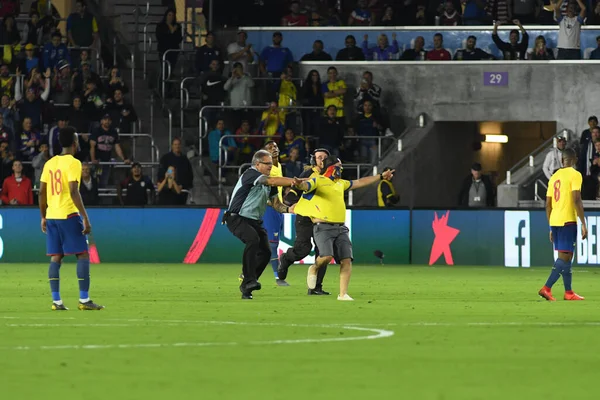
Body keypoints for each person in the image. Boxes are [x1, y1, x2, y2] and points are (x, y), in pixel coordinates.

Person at [290, 156, 395, 300]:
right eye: (339, 166)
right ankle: (314, 267)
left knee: (346, 259)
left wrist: (380, 176)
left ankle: (343, 294)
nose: (341, 169)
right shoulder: (318, 180)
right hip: (323, 227)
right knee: (326, 256)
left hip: (341, 228)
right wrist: (298, 185)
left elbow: (360, 182)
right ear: (331, 167)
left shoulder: (341, 183)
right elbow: (305, 186)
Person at [39, 127, 103, 311]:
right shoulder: (74, 163)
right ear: (75, 143)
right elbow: (74, 191)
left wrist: (43, 216)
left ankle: (56, 301)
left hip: (52, 216)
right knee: (82, 254)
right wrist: (85, 216)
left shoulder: (49, 163)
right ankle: (84, 300)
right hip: (68, 214)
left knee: (56, 257)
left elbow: (42, 192)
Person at [223, 150, 295, 300]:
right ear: (257, 164)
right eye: (267, 163)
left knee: (266, 252)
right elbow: (272, 181)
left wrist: (288, 209)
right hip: (237, 217)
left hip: (254, 220)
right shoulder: (251, 174)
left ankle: (247, 285)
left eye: (271, 163)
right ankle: (249, 279)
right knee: (253, 240)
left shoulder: (269, 181)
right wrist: (295, 181)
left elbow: (276, 204)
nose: (270, 166)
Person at [278, 148, 332, 295]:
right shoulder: (308, 174)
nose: (321, 160)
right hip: (305, 217)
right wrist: (291, 202)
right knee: (303, 249)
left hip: (322, 218)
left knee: (323, 252)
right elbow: (295, 191)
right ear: (314, 160)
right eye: (319, 157)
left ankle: (315, 287)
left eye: (324, 157)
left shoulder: (332, 175)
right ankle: (286, 258)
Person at [539, 148, 586, 301]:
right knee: (565, 257)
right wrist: (583, 223)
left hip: (555, 220)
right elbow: (576, 199)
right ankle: (546, 288)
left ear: (561, 160)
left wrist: (550, 227)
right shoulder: (575, 175)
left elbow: (548, 204)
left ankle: (569, 292)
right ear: (575, 159)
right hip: (567, 220)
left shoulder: (554, 177)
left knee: (566, 256)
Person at [261, 141, 289, 286]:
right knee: (272, 245)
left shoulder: (277, 167)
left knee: (269, 245)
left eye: (276, 146)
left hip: (278, 208)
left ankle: (247, 271)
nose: (275, 149)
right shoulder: (265, 169)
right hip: (270, 208)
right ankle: (278, 277)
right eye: (270, 148)